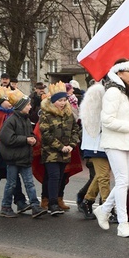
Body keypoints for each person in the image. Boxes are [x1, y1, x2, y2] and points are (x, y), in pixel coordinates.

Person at [93, 59, 129, 238]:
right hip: (115, 142)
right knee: (123, 180)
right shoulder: (113, 92)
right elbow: (107, 120)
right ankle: (123, 224)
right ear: (118, 73)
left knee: (128, 181)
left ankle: (104, 209)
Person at [0, 90, 48, 218]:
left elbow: (29, 134)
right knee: (11, 184)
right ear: (21, 107)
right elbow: (6, 138)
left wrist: (33, 138)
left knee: (29, 183)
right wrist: (26, 140)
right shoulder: (11, 121)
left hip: (25, 156)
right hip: (13, 158)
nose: (30, 107)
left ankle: (35, 206)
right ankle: (5, 206)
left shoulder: (25, 119)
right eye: (28, 105)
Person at [38, 82, 82, 215]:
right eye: (60, 100)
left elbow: (76, 130)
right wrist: (61, 147)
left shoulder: (68, 114)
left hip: (65, 152)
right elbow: (46, 134)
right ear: (53, 101)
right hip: (50, 153)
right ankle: (52, 204)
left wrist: (71, 145)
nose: (63, 103)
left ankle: (56, 200)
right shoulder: (46, 115)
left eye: (64, 100)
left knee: (61, 176)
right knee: (53, 176)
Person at [77, 82, 112, 220]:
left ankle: (87, 200)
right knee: (103, 176)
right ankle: (107, 207)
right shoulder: (92, 109)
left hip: (105, 145)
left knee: (100, 175)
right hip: (95, 146)